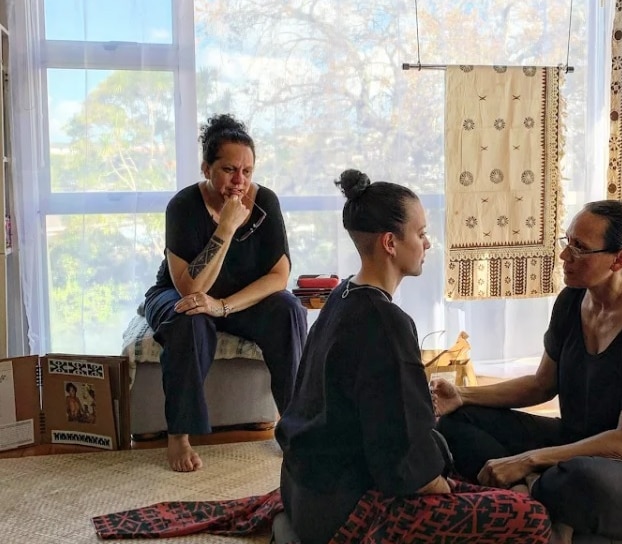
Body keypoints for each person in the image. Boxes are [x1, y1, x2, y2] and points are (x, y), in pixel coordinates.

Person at [275, 169, 553, 544]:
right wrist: (438, 483)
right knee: (530, 516)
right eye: (421, 234)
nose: (427, 244)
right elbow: (404, 455)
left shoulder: (341, 297)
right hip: (345, 512)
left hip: (302, 492)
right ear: (390, 242)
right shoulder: (385, 321)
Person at [433, 200, 622, 543]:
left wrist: (530, 460)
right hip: (576, 443)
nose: (565, 256)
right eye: (567, 241)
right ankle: (538, 502)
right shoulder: (572, 300)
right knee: (460, 422)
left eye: (580, 248)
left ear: (619, 260)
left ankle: (533, 497)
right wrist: (463, 395)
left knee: (578, 479)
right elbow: (540, 386)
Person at [143, 114, 307, 472]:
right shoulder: (184, 206)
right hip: (177, 292)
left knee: (289, 310)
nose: (240, 181)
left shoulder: (265, 203)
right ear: (206, 168)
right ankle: (179, 436)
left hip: (235, 299)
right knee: (190, 318)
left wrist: (223, 306)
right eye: (230, 170)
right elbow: (191, 286)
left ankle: (294, 426)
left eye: (247, 171)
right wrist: (226, 228)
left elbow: (279, 275)